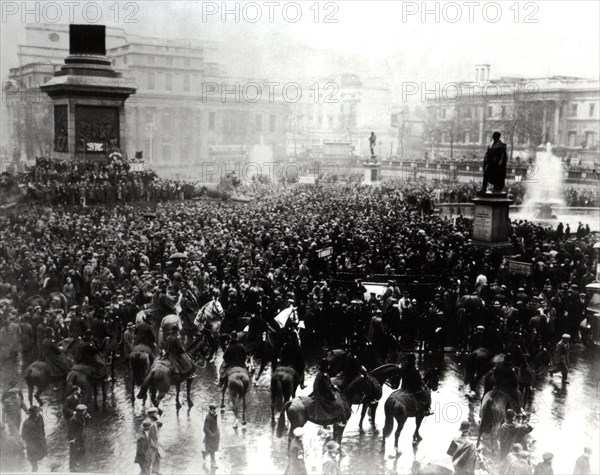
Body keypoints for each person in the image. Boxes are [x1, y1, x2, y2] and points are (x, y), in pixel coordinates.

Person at [312, 359, 346, 423]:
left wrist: (333, 386)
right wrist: (333, 396)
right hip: (322, 396)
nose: (329, 366)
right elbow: (327, 388)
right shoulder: (325, 374)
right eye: (328, 365)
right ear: (326, 366)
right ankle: (337, 421)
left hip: (319, 392)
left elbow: (327, 384)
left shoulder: (320, 373)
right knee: (339, 406)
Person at [21, 406, 47, 472]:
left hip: (40, 440)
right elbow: (23, 435)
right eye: (37, 412)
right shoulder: (27, 423)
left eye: (38, 411)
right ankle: (34, 469)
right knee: (33, 459)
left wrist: (43, 436)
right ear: (33, 414)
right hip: (31, 443)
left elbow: (42, 427)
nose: (38, 413)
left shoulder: (40, 418)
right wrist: (29, 442)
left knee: (41, 454)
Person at [68, 404, 89, 472]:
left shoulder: (82, 417)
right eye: (83, 411)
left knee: (82, 452)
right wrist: (72, 439)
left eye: (85, 411)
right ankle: (73, 469)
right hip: (75, 439)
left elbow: (85, 425)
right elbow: (70, 431)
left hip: (81, 437)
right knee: (74, 453)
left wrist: (88, 418)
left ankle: (82, 467)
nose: (85, 412)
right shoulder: (73, 419)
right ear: (79, 411)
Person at [146, 407, 162, 474]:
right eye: (156, 413)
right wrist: (152, 445)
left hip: (154, 443)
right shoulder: (147, 423)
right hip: (150, 445)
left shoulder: (154, 421)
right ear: (151, 414)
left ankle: (156, 471)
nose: (157, 414)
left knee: (157, 458)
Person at [202, 404, 220, 468]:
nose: (216, 411)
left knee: (212, 449)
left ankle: (205, 453)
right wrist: (211, 435)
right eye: (215, 409)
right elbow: (205, 429)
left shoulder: (213, 415)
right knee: (213, 451)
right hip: (211, 437)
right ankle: (213, 463)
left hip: (214, 436)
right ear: (212, 410)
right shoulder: (208, 418)